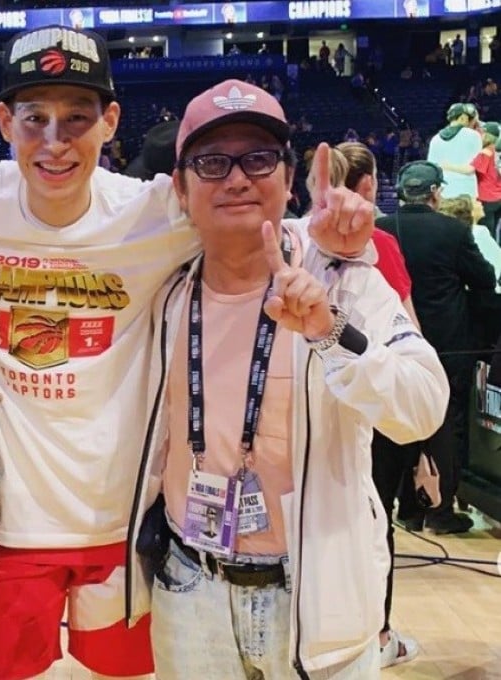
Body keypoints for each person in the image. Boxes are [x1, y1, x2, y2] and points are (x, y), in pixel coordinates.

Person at [0, 26, 375, 678]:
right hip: (12, 527)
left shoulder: (152, 213)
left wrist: (332, 236)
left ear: (110, 122)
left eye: (77, 120)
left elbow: (245, 214)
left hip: (123, 527)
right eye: (35, 119)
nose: (54, 142)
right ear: (4, 121)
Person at [130, 79, 448, 679]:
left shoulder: (343, 279)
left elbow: (424, 406)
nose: (236, 178)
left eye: (257, 158)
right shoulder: (160, 290)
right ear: (180, 185)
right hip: (189, 587)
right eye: (211, 162)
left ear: (286, 173)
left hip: (316, 597)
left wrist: (331, 331)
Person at [308, 141, 422, 668]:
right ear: (371, 185)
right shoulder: (375, 242)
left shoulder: (346, 249)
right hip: (367, 409)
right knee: (372, 518)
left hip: (357, 397)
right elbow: (409, 326)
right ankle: (378, 633)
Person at [376, 161, 497, 534]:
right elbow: (484, 278)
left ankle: (407, 508)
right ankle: (440, 510)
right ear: (434, 193)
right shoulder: (453, 230)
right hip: (445, 344)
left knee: (397, 425)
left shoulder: (380, 230)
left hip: (392, 341)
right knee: (446, 426)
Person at [428, 102, 481, 199]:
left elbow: (432, 169)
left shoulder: (435, 139)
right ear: (463, 117)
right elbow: (472, 168)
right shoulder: (474, 136)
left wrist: (447, 166)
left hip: (444, 192)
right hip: (467, 191)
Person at [472, 121, 501, 239]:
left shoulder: (485, 152)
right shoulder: (497, 151)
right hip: (498, 197)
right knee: (496, 230)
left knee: (488, 234)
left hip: (487, 198)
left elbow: (471, 169)